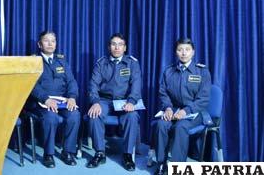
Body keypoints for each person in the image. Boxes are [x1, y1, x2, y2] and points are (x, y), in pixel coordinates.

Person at [153, 38, 211, 175]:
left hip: (195, 112)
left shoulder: (202, 72)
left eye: (187, 50)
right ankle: (161, 164)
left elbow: (203, 99)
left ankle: (178, 168)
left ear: (193, 52)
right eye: (180, 50)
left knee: (181, 127)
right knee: (161, 125)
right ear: (176, 52)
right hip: (172, 110)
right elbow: (163, 93)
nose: (183, 53)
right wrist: (167, 107)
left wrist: (186, 111)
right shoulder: (169, 71)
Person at [86, 33, 141, 171]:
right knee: (94, 114)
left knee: (132, 116)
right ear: (109, 47)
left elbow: (136, 86)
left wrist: (131, 101)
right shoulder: (101, 63)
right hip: (104, 100)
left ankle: (128, 155)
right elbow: (93, 85)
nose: (117, 47)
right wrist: (95, 101)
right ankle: (100, 152)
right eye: (113, 44)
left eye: (120, 44)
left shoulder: (132, 63)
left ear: (125, 48)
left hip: (124, 102)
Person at [28, 31, 80, 168]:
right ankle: (48, 154)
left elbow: (72, 82)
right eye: (46, 41)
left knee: (74, 115)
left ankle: (67, 152)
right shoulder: (34, 61)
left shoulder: (62, 61)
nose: (50, 44)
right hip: (42, 102)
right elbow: (31, 84)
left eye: (53, 41)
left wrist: (72, 97)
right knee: (51, 117)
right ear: (40, 44)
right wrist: (45, 99)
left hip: (62, 101)